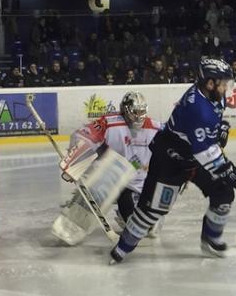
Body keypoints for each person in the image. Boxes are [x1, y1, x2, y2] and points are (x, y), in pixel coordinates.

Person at [109, 58, 236, 264]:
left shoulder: (214, 96)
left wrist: (220, 129)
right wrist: (225, 169)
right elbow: (203, 150)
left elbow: (206, 136)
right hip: (170, 159)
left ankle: (211, 238)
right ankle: (123, 247)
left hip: (192, 156)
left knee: (223, 192)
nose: (227, 87)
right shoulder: (198, 108)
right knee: (152, 211)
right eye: (223, 83)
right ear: (209, 83)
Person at [52, 92, 163, 246]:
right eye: (135, 112)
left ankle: (125, 215)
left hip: (139, 184)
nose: (139, 116)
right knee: (100, 189)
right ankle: (83, 202)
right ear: (125, 109)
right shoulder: (109, 123)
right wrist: (76, 163)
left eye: (141, 111)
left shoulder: (156, 127)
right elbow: (82, 136)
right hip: (109, 175)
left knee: (146, 228)